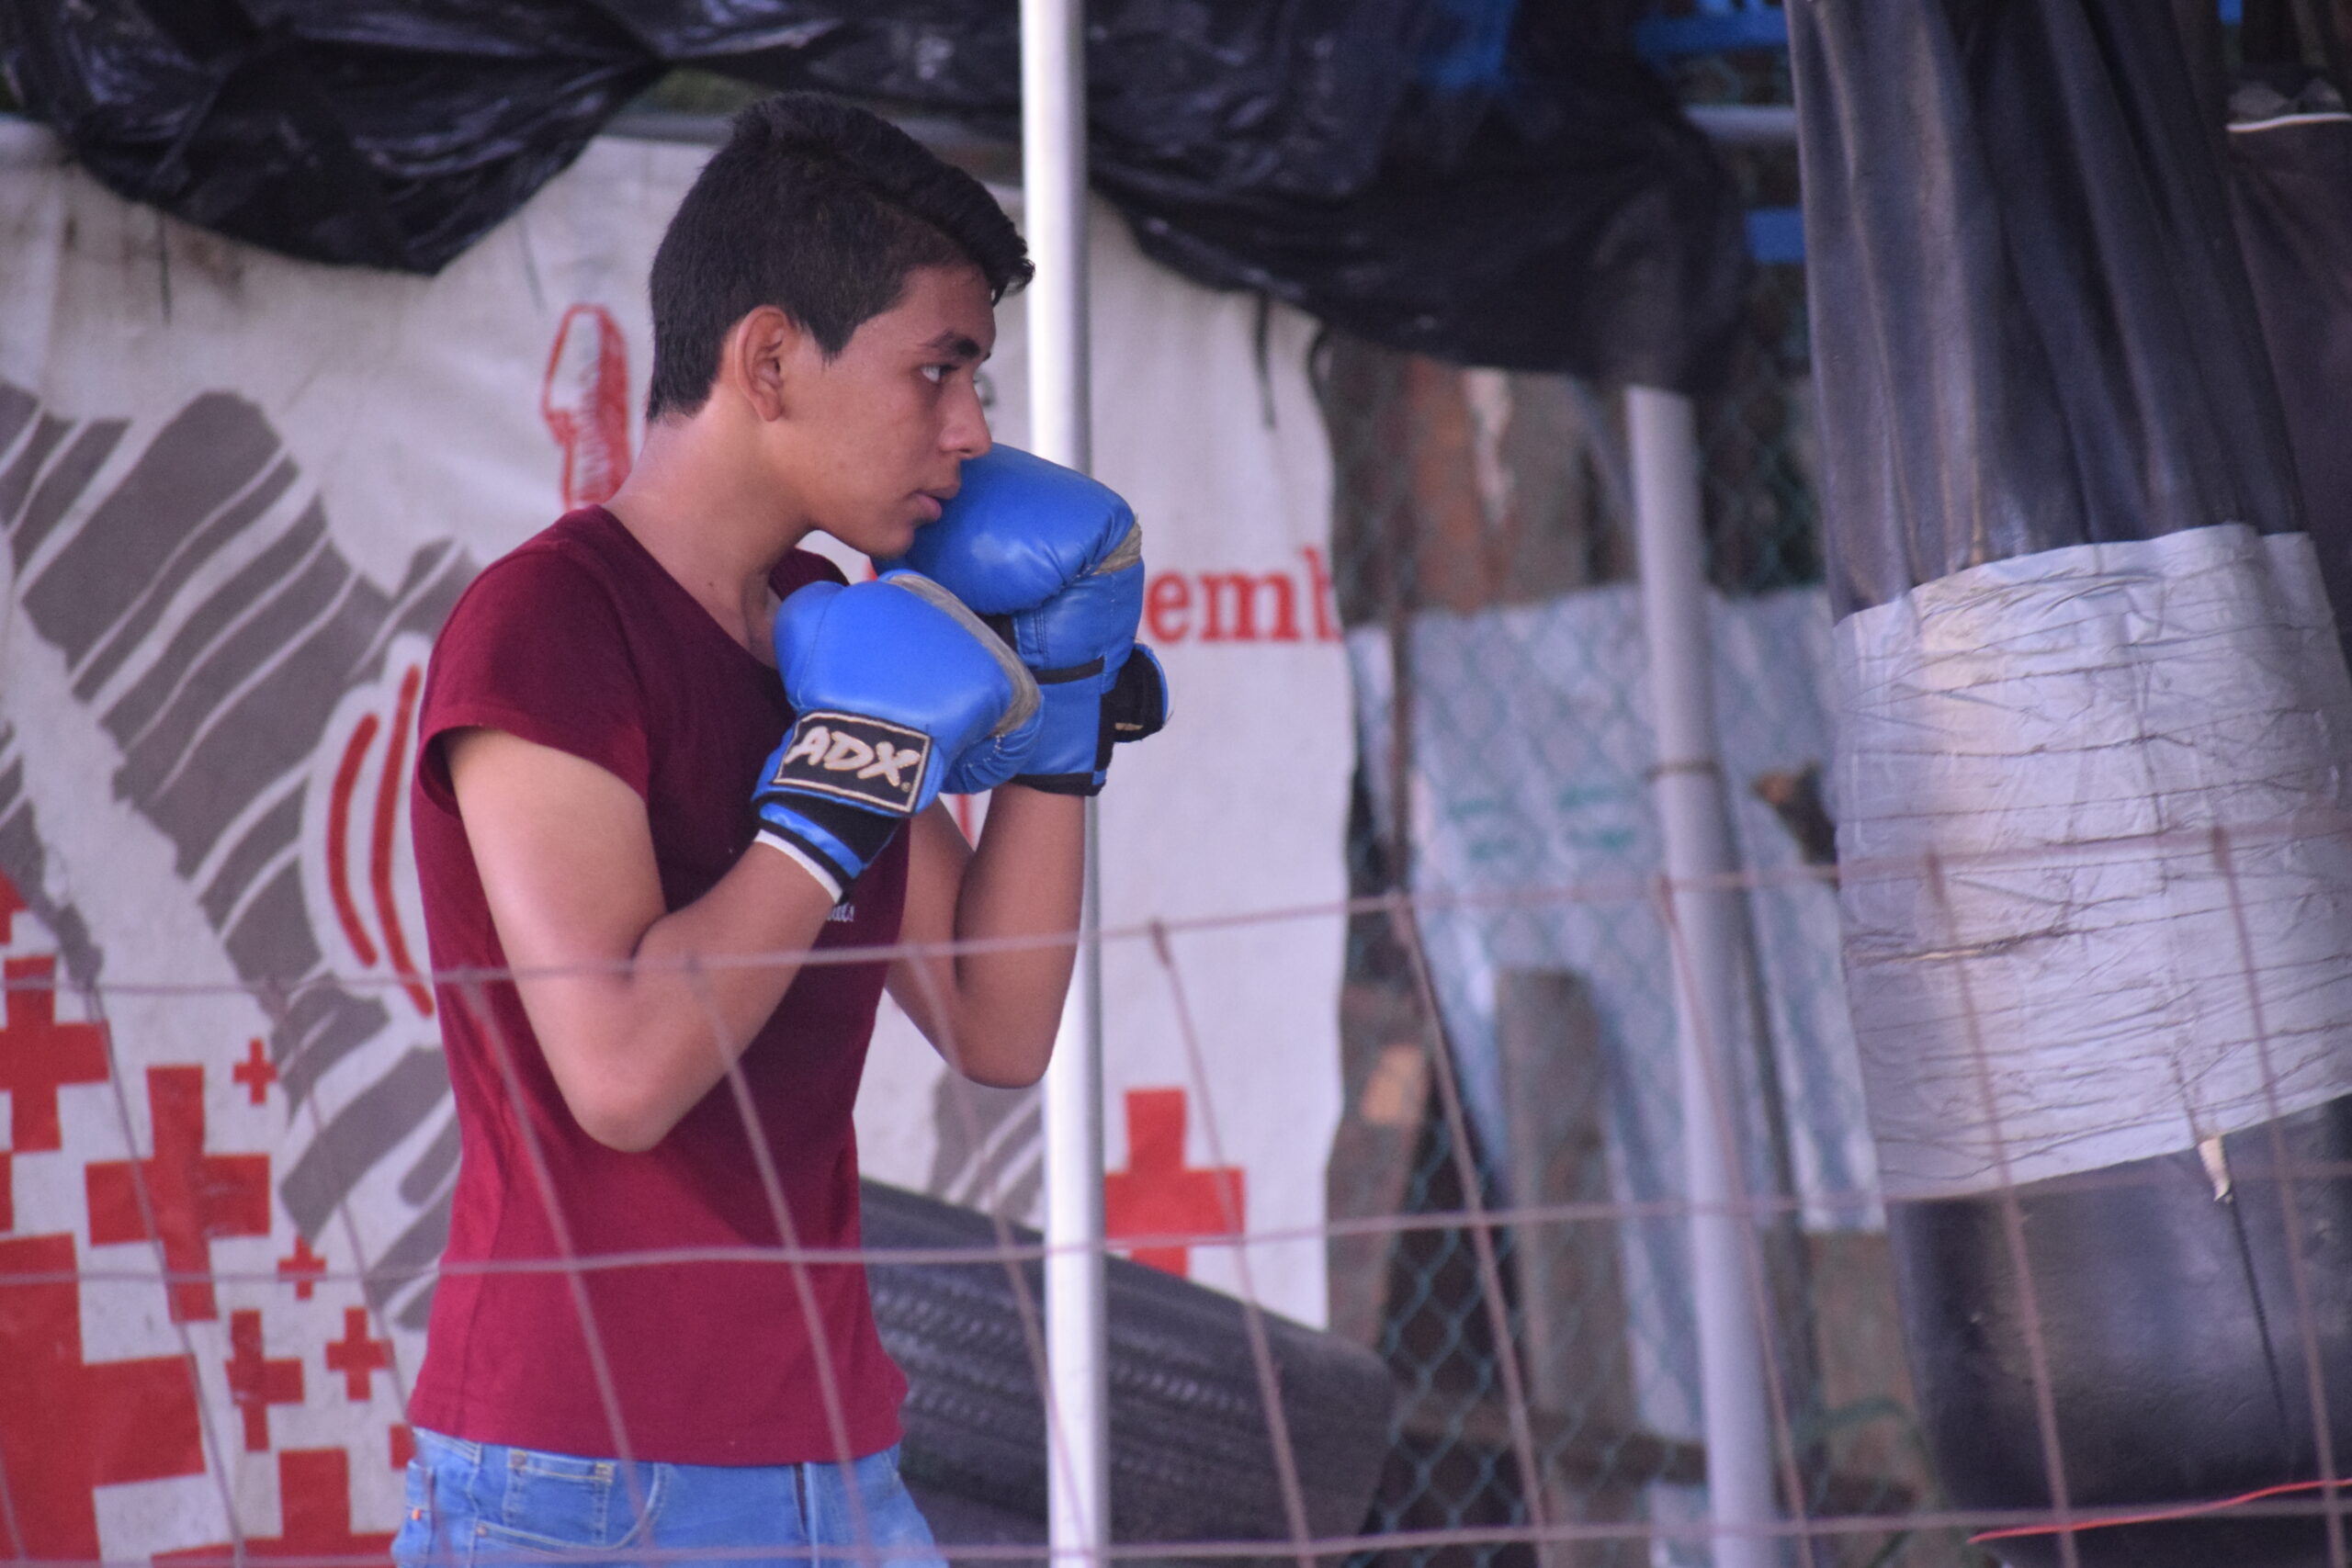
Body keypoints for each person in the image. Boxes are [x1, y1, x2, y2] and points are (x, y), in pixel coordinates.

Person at [391, 93, 1159, 1568]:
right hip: (583, 1476)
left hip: (835, 1454)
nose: (972, 431)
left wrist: (1058, 725)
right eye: (938, 369)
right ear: (767, 359)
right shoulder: (551, 626)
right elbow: (621, 1072)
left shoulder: (825, 631)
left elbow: (997, 1023)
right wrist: (836, 790)